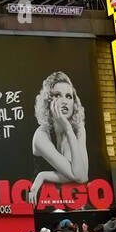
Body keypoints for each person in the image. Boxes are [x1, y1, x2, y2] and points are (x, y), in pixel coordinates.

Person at [28, 71, 89, 205]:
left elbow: (82, 176)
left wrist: (43, 175)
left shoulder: (78, 129)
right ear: (47, 101)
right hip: (41, 201)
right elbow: (77, 175)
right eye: (57, 95)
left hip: (70, 200)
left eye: (69, 96)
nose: (64, 101)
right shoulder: (41, 135)